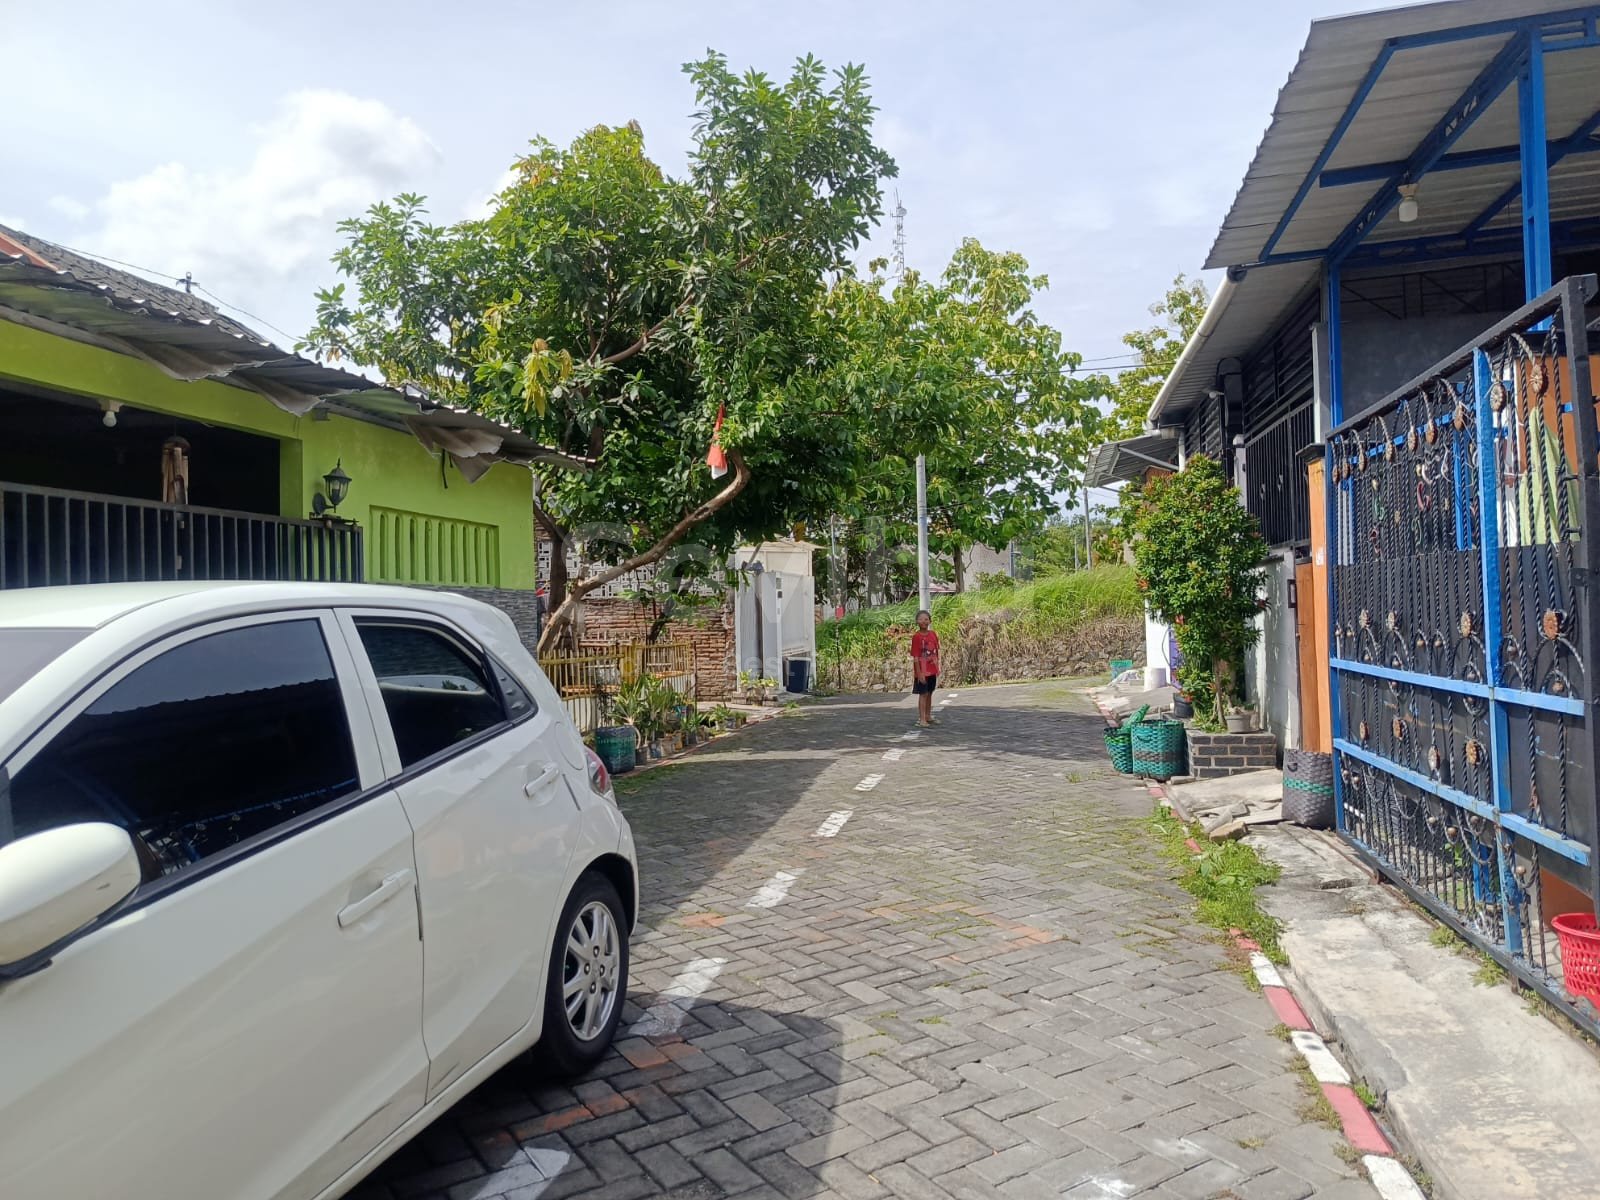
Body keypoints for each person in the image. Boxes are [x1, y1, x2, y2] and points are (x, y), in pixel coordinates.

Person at [910, 609, 940, 727]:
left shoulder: (933, 634)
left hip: (932, 670)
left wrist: (937, 667)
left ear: (930, 621)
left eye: (926, 619)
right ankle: (922, 719)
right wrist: (919, 673)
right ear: (917, 621)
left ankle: (928, 716)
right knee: (923, 694)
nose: (924, 621)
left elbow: (936, 651)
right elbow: (916, 657)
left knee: (930, 693)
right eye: (921, 619)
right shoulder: (916, 637)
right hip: (922, 671)